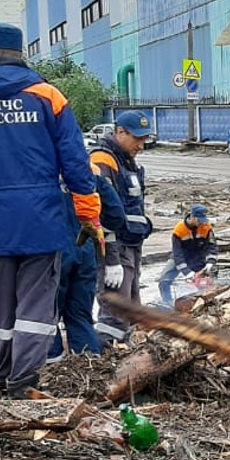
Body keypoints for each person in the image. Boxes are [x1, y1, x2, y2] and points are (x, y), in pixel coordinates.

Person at [0, 21, 102, 399]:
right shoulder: (48, 96)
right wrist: (88, 212)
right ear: (18, 52)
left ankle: (4, 374)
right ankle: (22, 382)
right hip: (43, 217)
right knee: (36, 304)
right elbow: (76, 161)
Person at [89, 110, 153, 345]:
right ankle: (107, 361)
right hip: (115, 247)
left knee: (132, 307)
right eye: (137, 139)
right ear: (120, 132)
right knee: (115, 312)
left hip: (131, 245)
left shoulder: (126, 161)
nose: (141, 146)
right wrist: (111, 259)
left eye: (145, 139)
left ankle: (131, 358)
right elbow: (101, 213)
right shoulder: (103, 160)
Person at [157, 204, 217, 308]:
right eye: (199, 220)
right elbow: (177, 254)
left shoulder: (206, 228)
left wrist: (210, 263)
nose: (201, 223)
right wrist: (187, 273)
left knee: (204, 285)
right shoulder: (179, 230)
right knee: (164, 280)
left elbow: (211, 247)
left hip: (198, 258)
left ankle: (204, 305)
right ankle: (168, 304)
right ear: (192, 217)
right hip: (180, 258)